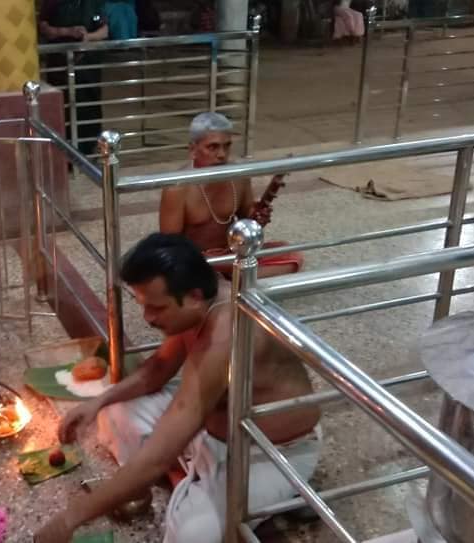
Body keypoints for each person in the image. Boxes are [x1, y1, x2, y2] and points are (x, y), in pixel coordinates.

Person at [34, 234, 322, 543]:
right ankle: (185, 475)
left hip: (268, 452)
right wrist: (99, 401)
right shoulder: (198, 306)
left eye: (157, 307)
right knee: (115, 413)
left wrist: (70, 518)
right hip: (211, 428)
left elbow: (162, 449)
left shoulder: (226, 333)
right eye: (143, 305)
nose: (147, 318)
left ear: (195, 295)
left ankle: (272, 492)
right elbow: (157, 370)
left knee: (191, 535)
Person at [159, 112, 304, 278]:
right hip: (195, 260)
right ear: (193, 150)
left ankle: (229, 281)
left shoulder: (238, 176)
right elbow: (169, 246)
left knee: (292, 256)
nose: (221, 154)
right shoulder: (177, 187)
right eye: (212, 147)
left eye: (226, 146)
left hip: (231, 254)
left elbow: (245, 220)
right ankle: (236, 281)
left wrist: (257, 219)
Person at [39, 0, 109, 155]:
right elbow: (44, 28)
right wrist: (67, 32)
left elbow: (104, 31)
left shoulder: (94, 4)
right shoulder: (53, 3)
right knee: (63, 105)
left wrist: (87, 36)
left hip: (88, 64)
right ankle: (65, 151)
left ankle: (89, 150)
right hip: (60, 63)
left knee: (89, 104)